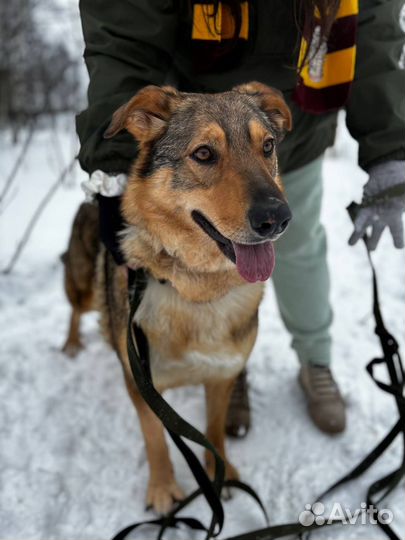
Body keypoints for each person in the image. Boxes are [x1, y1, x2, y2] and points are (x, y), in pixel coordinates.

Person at [76, 0, 405, 435]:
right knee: (188, 261)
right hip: (186, 114)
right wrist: (118, 162)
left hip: (292, 118)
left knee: (300, 247)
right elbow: (123, 32)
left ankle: (315, 360)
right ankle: (229, 369)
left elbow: (372, 20)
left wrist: (389, 148)